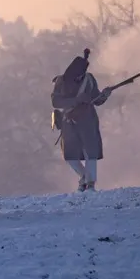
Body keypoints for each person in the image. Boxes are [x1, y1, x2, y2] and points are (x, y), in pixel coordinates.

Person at [51, 48, 112, 191]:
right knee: (70, 156)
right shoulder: (61, 81)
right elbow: (56, 102)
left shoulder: (89, 80)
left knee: (90, 152)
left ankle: (90, 183)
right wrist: (76, 100)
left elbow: (96, 100)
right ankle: (84, 176)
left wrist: (105, 95)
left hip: (88, 120)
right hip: (68, 120)